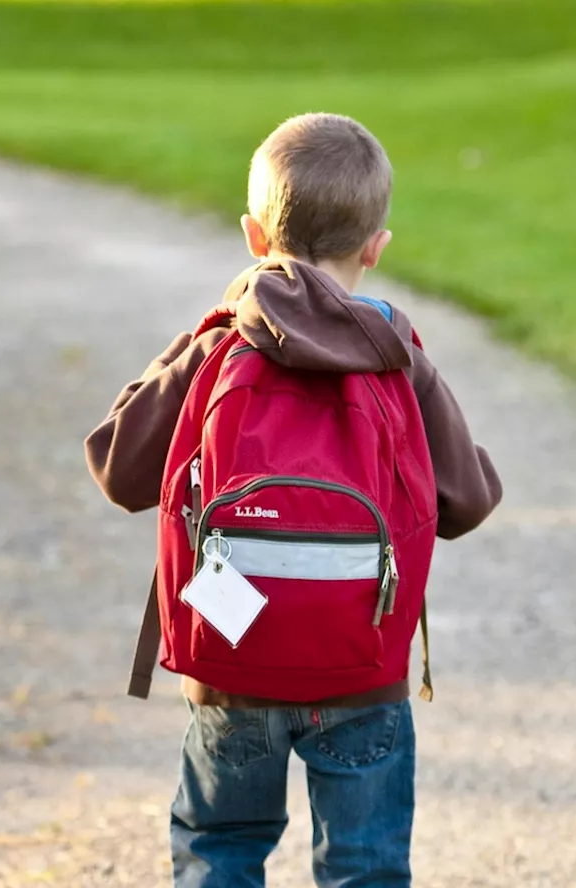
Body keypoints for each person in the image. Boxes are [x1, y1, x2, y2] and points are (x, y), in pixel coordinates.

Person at [85, 112, 501, 888]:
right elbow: (467, 502)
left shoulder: (220, 344)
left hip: (232, 658)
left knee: (221, 849)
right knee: (365, 866)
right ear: (376, 247)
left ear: (251, 235)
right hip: (362, 667)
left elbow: (117, 467)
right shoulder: (395, 354)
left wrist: (190, 347)